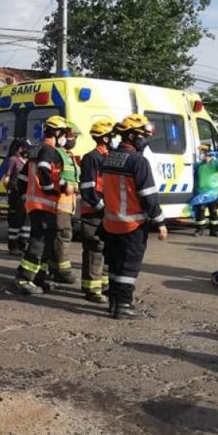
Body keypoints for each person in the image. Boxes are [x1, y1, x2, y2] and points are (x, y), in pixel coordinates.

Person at [101, 114, 168, 319]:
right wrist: (160, 222)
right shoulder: (138, 161)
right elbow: (148, 195)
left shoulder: (109, 157)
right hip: (132, 224)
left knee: (114, 265)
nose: (145, 140)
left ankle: (114, 302)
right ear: (131, 136)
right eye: (143, 136)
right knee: (128, 267)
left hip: (110, 223)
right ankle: (123, 305)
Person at [12, 116, 73, 295]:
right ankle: (24, 278)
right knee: (38, 243)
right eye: (64, 133)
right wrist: (56, 189)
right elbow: (44, 171)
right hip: (44, 205)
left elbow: (22, 178)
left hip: (36, 205)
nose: (66, 137)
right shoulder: (48, 150)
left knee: (45, 243)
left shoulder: (36, 148)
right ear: (56, 132)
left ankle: (39, 278)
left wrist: (25, 197)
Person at [78, 118, 116, 303]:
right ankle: (92, 290)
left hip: (106, 213)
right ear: (105, 138)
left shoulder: (108, 157)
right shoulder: (92, 158)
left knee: (106, 250)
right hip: (94, 213)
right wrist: (102, 208)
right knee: (95, 250)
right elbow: (88, 190)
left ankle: (104, 286)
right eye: (112, 136)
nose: (114, 139)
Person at [48, 123, 81, 286]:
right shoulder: (58, 153)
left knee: (59, 236)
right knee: (63, 236)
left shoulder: (68, 155)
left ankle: (54, 269)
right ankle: (63, 270)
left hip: (68, 204)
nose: (74, 140)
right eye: (72, 137)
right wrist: (64, 185)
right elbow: (52, 175)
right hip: (59, 203)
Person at [191, 145, 218, 236]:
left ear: (211, 154)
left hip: (213, 193)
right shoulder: (199, 165)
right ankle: (200, 230)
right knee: (200, 212)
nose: (205, 156)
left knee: (213, 211)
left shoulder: (215, 163)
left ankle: (214, 231)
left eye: (207, 154)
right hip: (201, 192)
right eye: (203, 154)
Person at [3, 139, 30, 255]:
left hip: (24, 195)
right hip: (15, 194)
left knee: (26, 221)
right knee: (15, 221)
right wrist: (9, 192)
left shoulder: (27, 162)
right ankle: (13, 246)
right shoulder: (13, 160)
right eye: (25, 149)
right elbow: (6, 178)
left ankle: (23, 244)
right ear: (20, 149)